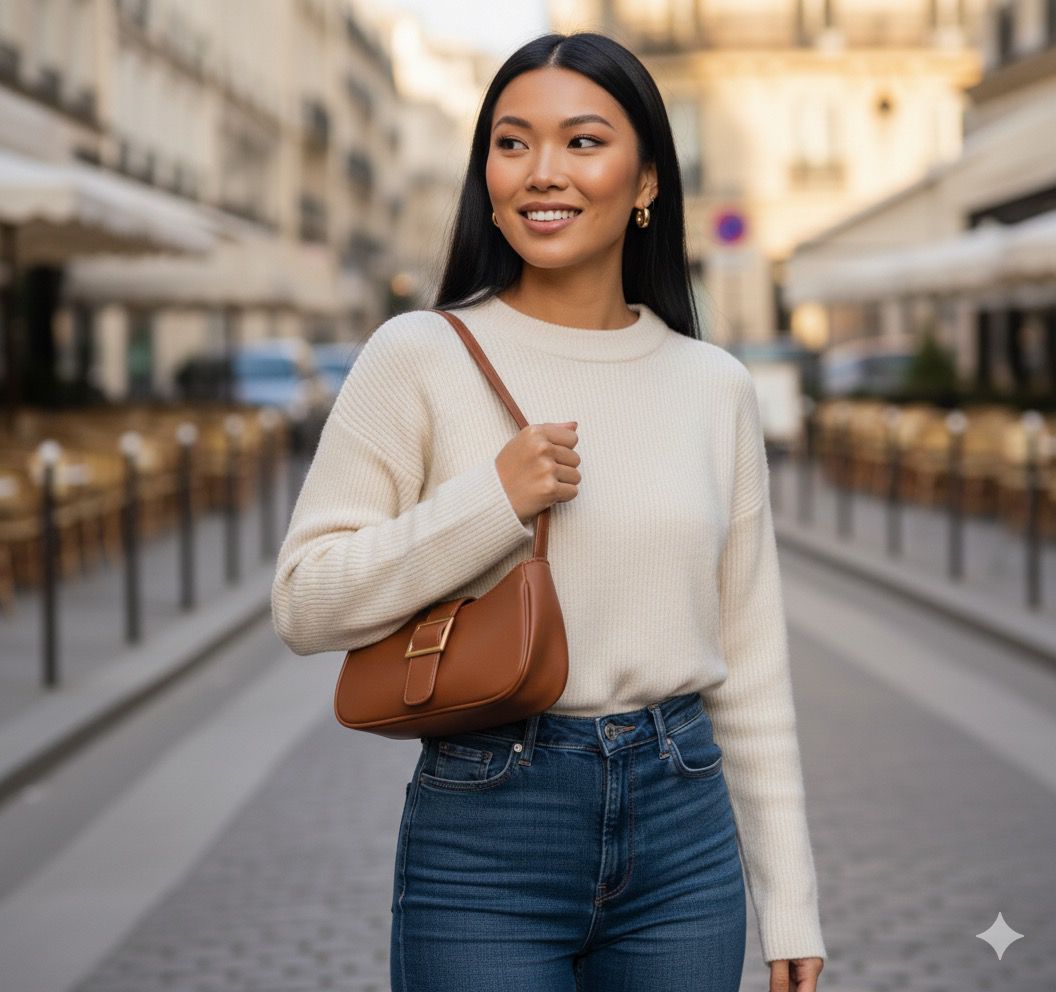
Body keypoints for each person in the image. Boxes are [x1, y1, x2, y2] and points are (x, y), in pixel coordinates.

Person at [271, 30, 826, 992]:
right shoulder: (419, 355)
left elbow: (753, 666)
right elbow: (305, 602)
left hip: (684, 833)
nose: (541, 173)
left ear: (646, 179)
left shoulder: (713, 386)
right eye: (512, 142)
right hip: (491, 822)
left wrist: (791, 901)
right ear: (486, 174)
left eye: (582, 142)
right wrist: (492, 501)